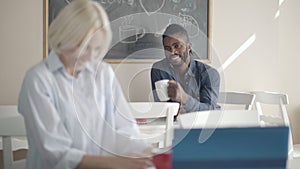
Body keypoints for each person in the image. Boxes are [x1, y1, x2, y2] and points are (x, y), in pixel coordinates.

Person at [18, 0, 153, 169]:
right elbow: (56, 154)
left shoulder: (103, 73)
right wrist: (117, 163)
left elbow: (124, 130)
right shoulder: (38, 79)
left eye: (97, 49)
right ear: (63, 36)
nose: (90, 56)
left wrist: (148, 153)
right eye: (82, 47)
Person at [151, 24, 220, 114]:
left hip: (201, 124)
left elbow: (209, 111)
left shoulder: (210, 74)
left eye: (177, 46)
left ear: (189, 47)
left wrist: (184, 98)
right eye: (167, 48)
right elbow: (161, 107)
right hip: (172, 123)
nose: (172, 52)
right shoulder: (158, 69)